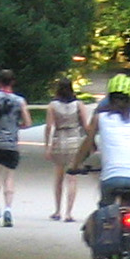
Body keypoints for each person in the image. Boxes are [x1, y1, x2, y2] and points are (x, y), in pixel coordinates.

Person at [76, 73, 130, 211]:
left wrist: (75, 164)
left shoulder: (100, 118)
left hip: (111, 178)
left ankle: (105, 229)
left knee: (105, 215)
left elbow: (87, 144)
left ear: (109, 98)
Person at [0, 69, 30, 227]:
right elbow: (28, 122)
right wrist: (17, 126)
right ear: (12, 82)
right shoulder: (20, 101)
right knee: (9, 176)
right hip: (11, 143)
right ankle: (8, 209)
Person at [45, 77, 87, 221]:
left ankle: (57, 210)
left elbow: (49, 127)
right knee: (72, 178)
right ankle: (69, 212)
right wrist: (90, 143)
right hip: (74, 140)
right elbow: (86, 126)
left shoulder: (52, 106)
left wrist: (47, 146)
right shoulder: (79, 105)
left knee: (58, 177)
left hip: (59, 139)